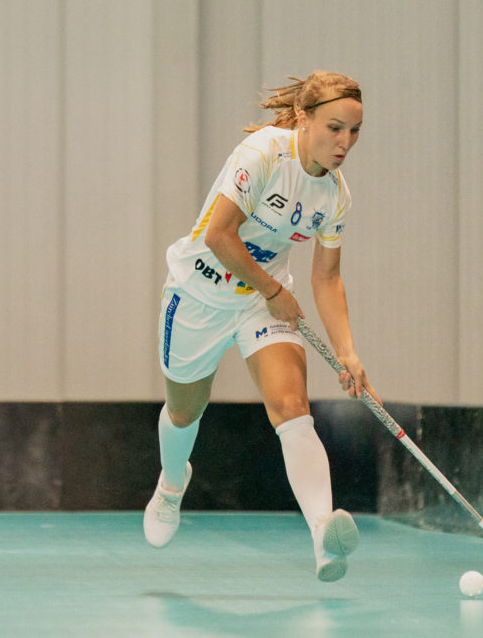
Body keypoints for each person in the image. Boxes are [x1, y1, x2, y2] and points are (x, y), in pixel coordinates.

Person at [144, 71, 378, 582]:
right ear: (304, 118)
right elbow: (218, 235)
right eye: (335, 128)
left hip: (260, 305)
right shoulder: (264, 154)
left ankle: (324, 535)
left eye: (355, 132)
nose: (345, 143)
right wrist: (273, 291)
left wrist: (348, 352)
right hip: (199, 293)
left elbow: (327, 277)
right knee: (185, 412)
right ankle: (171, 483)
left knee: (292, 408)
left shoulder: (334, 196)